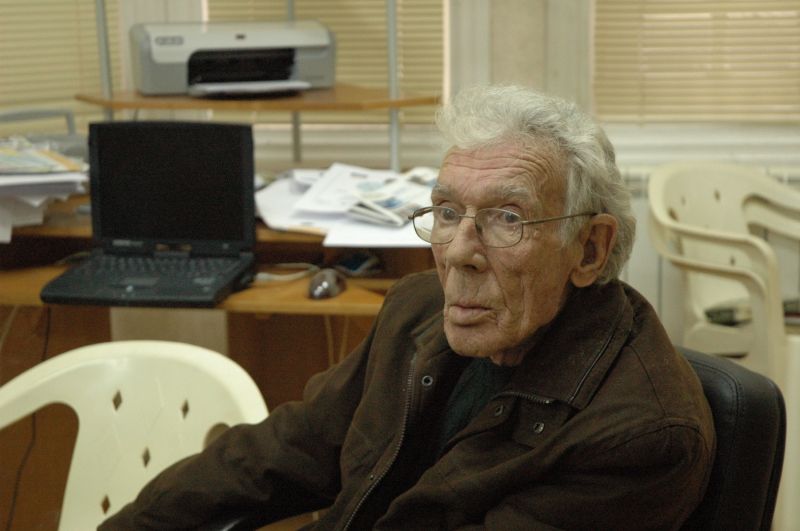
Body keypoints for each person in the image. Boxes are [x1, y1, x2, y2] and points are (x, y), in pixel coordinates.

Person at [100, 85, 714, 530]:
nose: (460, 253)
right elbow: (286, 449)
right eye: (447, 212)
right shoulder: (417, 308)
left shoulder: (641, 436)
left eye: (507, 218)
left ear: (589, 248)